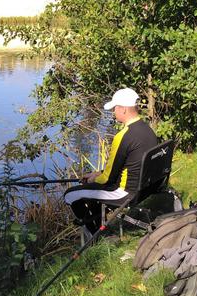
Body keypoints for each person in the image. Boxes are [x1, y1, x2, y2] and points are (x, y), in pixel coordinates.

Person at [64, 87, 158, 233]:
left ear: (123, 110)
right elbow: (127, 164)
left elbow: (107, 179)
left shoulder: (123, 136)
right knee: (93, 190)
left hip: (126, 193)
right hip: (146, 188)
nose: (113, 112)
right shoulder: (147, 129)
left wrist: (92, 180)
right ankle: (101, 228)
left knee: (70, 194)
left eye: (115, 108)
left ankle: (95, 235)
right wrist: (97, 174)